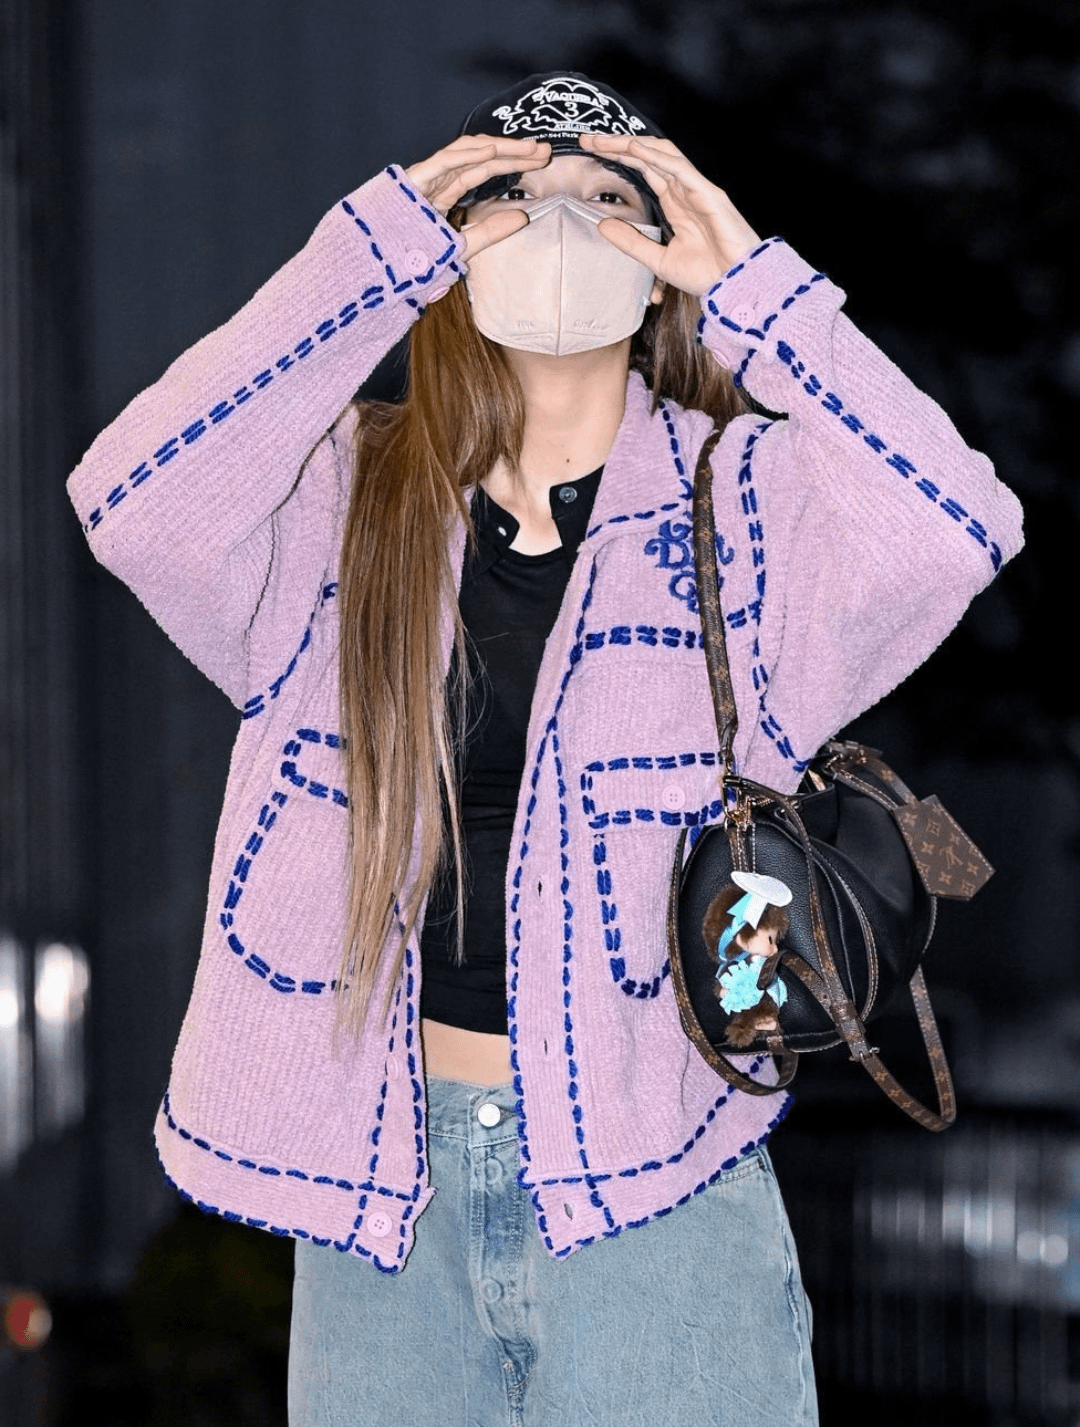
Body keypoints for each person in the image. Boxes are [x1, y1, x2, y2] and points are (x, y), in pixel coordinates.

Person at [68, 70, 1023, 1427]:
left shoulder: (746, 504)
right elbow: (132, 502)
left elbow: (957, 527)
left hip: (659, 1189)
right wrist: (368, 261)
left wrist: (755, 290)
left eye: (605, 193)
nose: (561, 220)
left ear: (660, 247)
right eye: (515, 191)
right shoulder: (343, 502)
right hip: (380, 1204)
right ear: (453, 238)